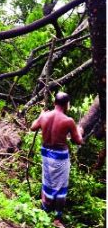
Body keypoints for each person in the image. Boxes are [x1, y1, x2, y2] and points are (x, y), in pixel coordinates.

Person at [30, 92, 83, 226]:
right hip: (60, 157)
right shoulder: (68, 121)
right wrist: (80, 130)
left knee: (47, 180)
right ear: (67, 105)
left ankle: (44, 210)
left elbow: (33, 127)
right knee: (61, 187)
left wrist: (40, 115)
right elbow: (78, 141)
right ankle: (57, 218)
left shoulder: (44, 116)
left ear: (54, 103)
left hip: (46, 154)